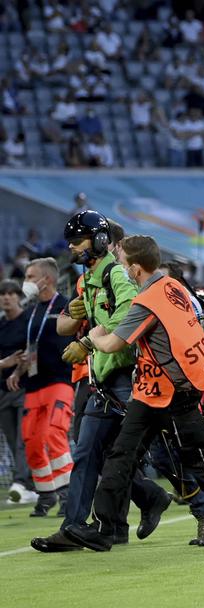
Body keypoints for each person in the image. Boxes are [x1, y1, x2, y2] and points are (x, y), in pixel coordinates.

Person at [62, 235, 204, 550]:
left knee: (193, 460)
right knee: (123, 454)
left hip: (170, 392)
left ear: (135, 270)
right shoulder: (173, 288)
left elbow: (113, 343)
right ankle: (106, 528)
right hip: (158, 390)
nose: (120, 269)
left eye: (122, 263)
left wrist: (93, 336)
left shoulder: (147, 302)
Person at [30, 212, 173, 551]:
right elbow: (71, 323)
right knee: (104, 455)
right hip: (106, 378)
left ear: (96, 240)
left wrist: (88, 341)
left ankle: (82, 524)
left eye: (77, 240)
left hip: (123, 376)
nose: (71, 246)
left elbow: (128, 318)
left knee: (108, 454)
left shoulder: (115, 274)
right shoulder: (92, 276)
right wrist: (76, 316)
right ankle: (145, 500)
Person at [9, 257, 75, 516]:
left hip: (60, 381)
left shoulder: (66, 306)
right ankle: (46, 495)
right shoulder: (33, 312)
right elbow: (30, 348)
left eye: (28, 276)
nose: (25, 282)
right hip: (34, 384)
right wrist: (18, 369)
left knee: (54, 434)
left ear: (45, 279)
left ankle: (69, 494)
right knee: (32, 441)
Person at [0, 279, 35, 505]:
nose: (6, 297)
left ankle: (21, 483)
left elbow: (34, 350)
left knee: (24, 438)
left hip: (26, 386)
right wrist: (6, 362)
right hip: (3, 389)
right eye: (2, 294)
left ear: (17, 296)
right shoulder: (0, 325)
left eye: (10, 293)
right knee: (13, 440)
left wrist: (20, 365)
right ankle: (29, 485)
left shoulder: (29, 320)